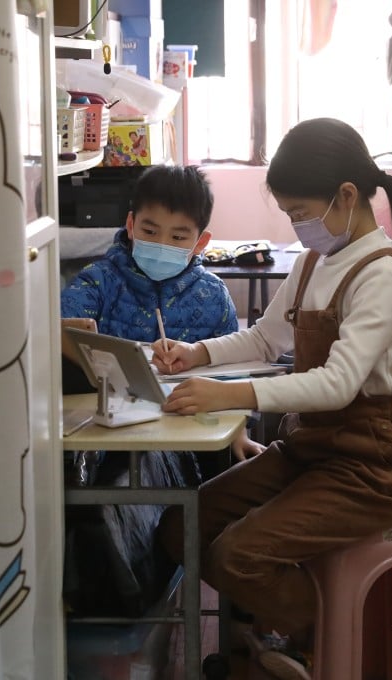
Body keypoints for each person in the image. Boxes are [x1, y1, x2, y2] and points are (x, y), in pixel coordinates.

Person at [153, 118, 392, 680]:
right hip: (313, 447)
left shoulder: (384, 275)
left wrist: (228, 395)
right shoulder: (313, 262)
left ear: (346, 196)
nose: (298, 228)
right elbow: (263, 337)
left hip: (370, 465)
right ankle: (277, 628)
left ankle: (315, 640)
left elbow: (338, 384)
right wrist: (194, 354)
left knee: (235, 555)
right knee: (182, 530)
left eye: (301, 213)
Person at [60, 165, 264, 619]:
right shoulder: (100, 280)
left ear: (201, 242)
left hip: (187, 433)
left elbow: (233, 377)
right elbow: (61, 334)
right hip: (107, 434)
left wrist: (238, 435)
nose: (162, 245)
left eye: (178, 237)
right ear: (130, 225)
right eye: (150, 231)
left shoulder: (213, 297)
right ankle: (110, 594)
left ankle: (213, 612)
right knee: (99, 491)